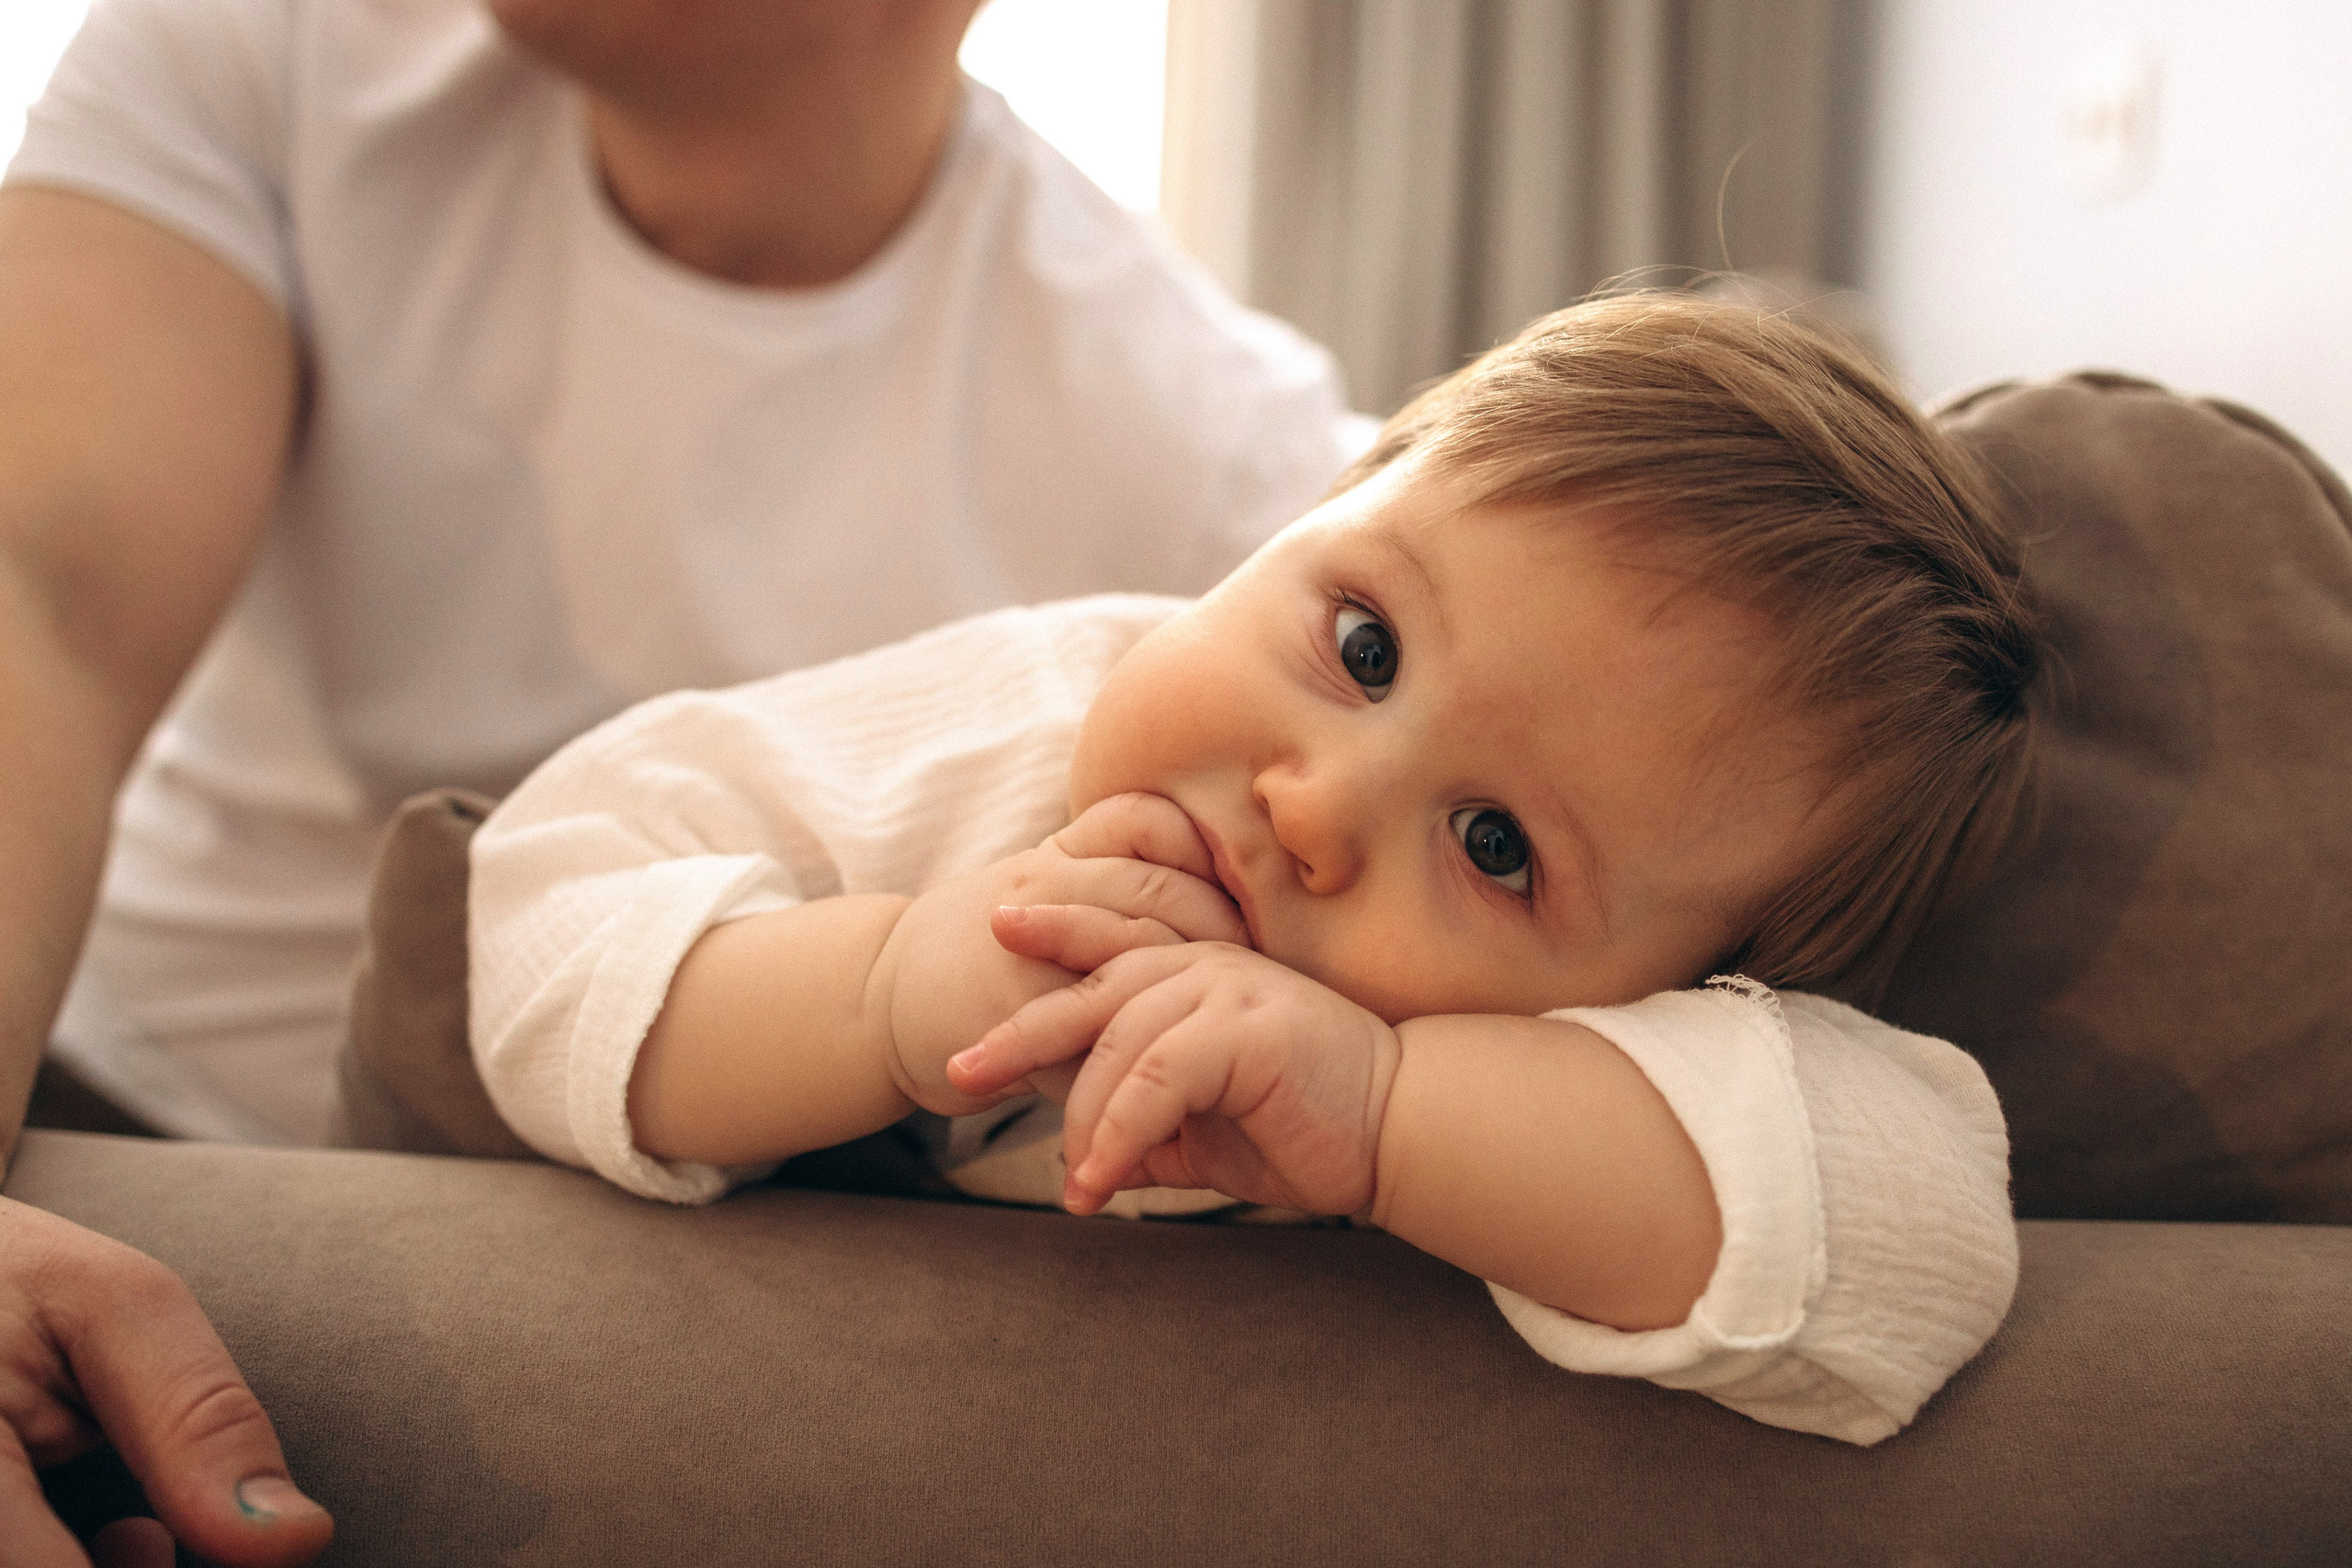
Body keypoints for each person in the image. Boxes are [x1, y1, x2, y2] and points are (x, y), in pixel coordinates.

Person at [0, 0, 1360, 1556]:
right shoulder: (262, 44)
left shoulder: (1233, 476)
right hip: (90, 1094)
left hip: (633, 1220)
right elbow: (39, 595)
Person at [469, 294, 2042, 1446]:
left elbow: (1923, 1243)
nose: (1314, 808)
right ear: (1307, 516)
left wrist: (1387, 1114)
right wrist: (886, 988)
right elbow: (550, 898)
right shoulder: (1023, 726)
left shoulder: (1608, 1078)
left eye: (1496, 848)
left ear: (1686, 990)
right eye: (1364, 644)